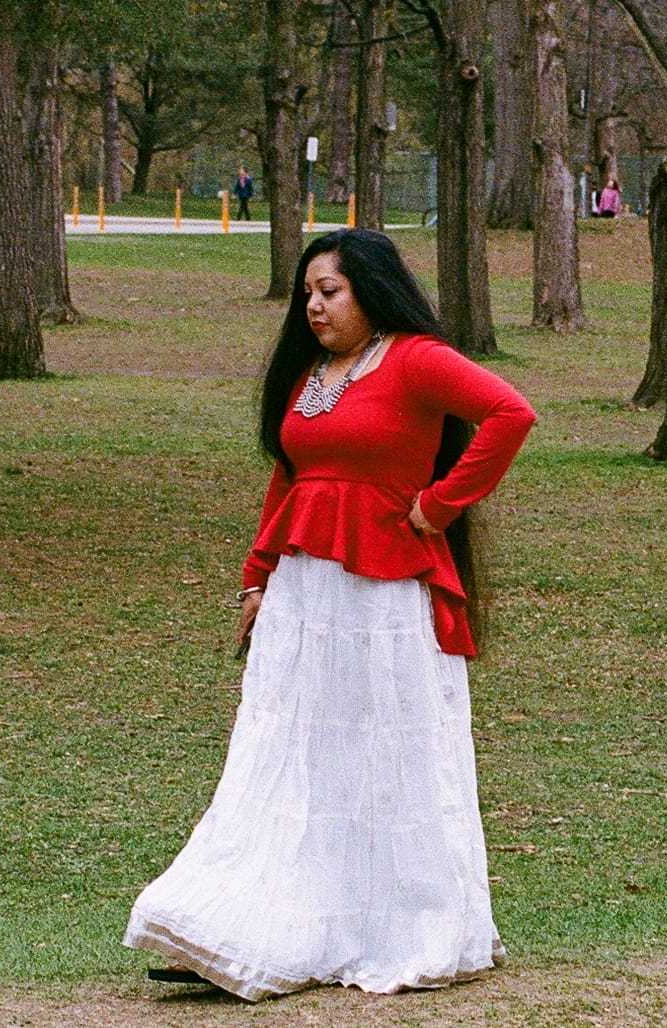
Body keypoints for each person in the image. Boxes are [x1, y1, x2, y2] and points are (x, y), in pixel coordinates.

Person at [125, 228, 536, 1002]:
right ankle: (264, 920)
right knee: (289, 751)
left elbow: (510, 414)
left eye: (330, 291)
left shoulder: (414, 357)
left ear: (370, 292)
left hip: (382, 596)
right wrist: (257, 577)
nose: (313, 306)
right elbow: (289, 479)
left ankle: (399, 928)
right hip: (303, 597)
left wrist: (439, 506)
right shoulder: (310, 375)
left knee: (382, 752)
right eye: (306, 293)